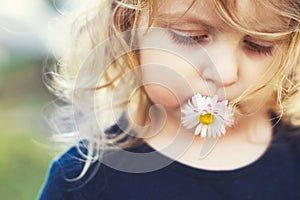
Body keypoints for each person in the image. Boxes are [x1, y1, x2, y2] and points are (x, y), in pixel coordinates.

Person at [39, 0, 300, 199]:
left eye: (258, 45)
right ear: (127, 25)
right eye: (191, 36)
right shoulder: (82, 182)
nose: (224, 73)